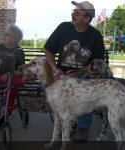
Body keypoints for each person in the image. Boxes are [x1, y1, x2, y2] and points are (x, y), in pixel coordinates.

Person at [44, 1, 105, 142]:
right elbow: (48, 50)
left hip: (83, 74)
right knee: (48, 85)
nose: (73, 14)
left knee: (83, 89)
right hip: (61, 73)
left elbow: (98, 64)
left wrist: (79, 72)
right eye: (73, 11)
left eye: (77, 13)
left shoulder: (95, 36)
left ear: (86, 19)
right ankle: (67, 121)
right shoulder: (63, 28)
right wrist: (56, 69)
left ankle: (83, 127)